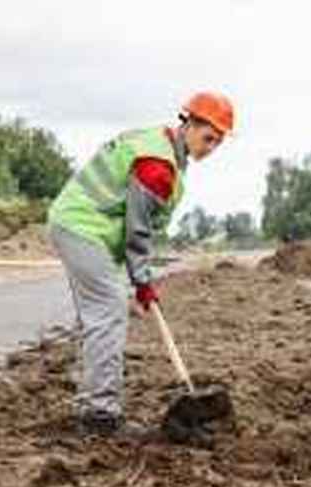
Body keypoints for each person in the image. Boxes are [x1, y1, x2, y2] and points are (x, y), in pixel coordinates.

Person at [47, 92, 234, 437]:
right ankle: (99, 417)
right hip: (83, 227)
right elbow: (138, 229)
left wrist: (140, 279)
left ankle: (92, 403)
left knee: (100, 316)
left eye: (218, 143)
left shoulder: (160, 146)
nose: (210, 148)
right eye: (208, 138)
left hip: (79, 224)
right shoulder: (158, 166)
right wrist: (142, 281)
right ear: (189, 123)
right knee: (109, 312)